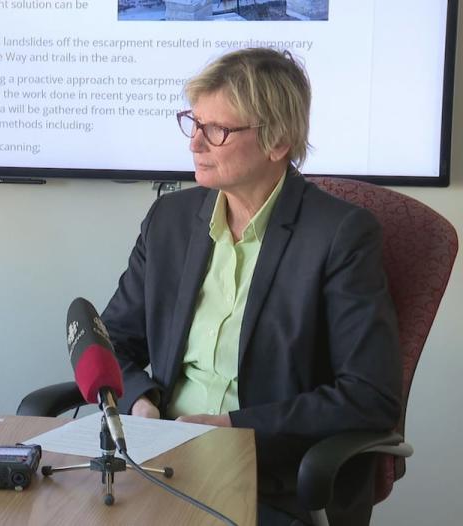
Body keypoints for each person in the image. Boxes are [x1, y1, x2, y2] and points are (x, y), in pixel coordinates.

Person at [101, 48, 401, 525]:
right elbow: (110, 338)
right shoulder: (170, 222)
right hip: (155, 462)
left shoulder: (340, 235)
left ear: (277, 141)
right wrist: (141, 400)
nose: (194, 144)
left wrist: (232, 429)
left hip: (267, 477)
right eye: (192, 123)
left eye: (216, 130)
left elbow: (369, 395)